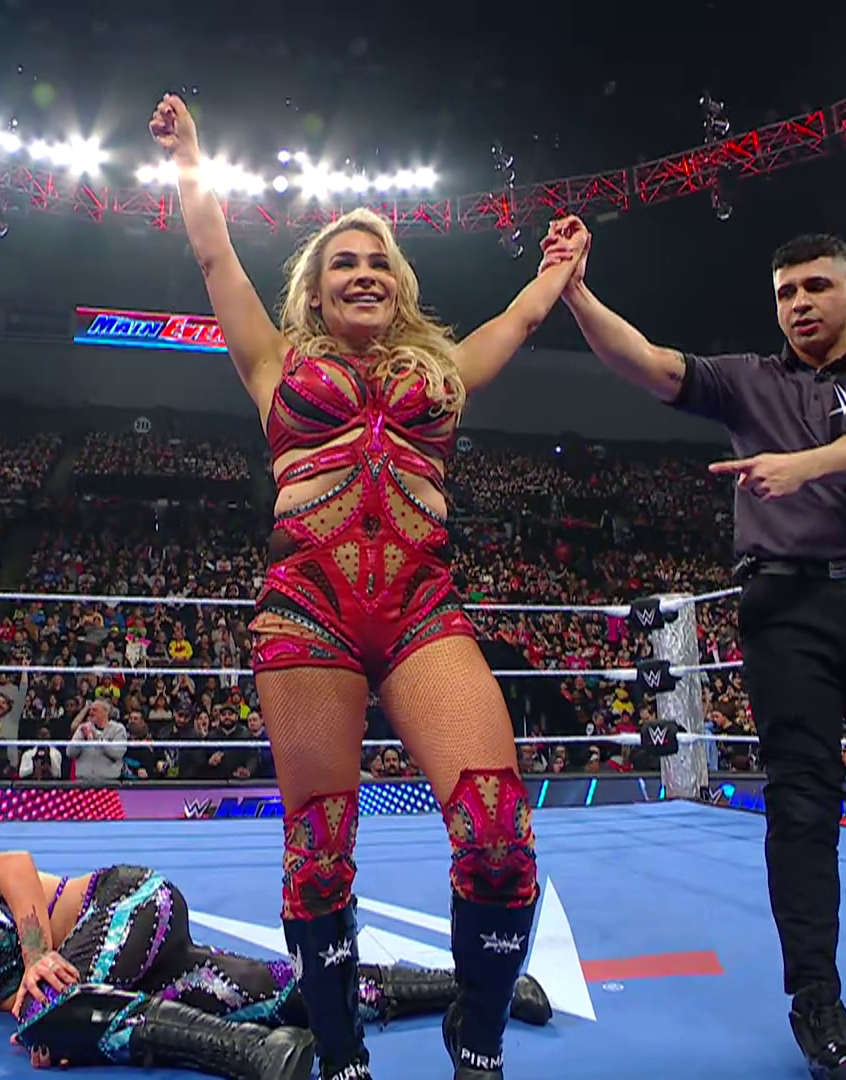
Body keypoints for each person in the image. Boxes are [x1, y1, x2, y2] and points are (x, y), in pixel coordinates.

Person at [147, 93, 585, 1080]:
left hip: (424, 611)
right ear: (314, 291)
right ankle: (341, 1053)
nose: (364, 272)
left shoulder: (444, 368)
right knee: (319, 851)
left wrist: (559, 268)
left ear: (401, 285)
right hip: (310, 613)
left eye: (379, 260)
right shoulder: (274, 362)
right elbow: (215, 255)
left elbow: (519, 318)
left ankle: (477, 1035)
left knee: (498, 835)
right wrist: (191, 155)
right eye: (344, 261)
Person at [542, 226, 846, 1078]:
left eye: (816, 287)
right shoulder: (747, 380)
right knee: (801, 809)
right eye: (786, 293)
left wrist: (803, 467)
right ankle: (817, 1003)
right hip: (785, 607)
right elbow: (647, 363)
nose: (800, 303)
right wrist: (576, 292)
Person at [0, 852, 552, 1080]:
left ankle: (256, 1062)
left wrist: (38, 963)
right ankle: (487, 988)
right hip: (136, 972)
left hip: (130, 903)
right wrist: (61, 1028)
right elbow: (37, 1004)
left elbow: (11, 867)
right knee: (283, 993)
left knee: (46, 1009)